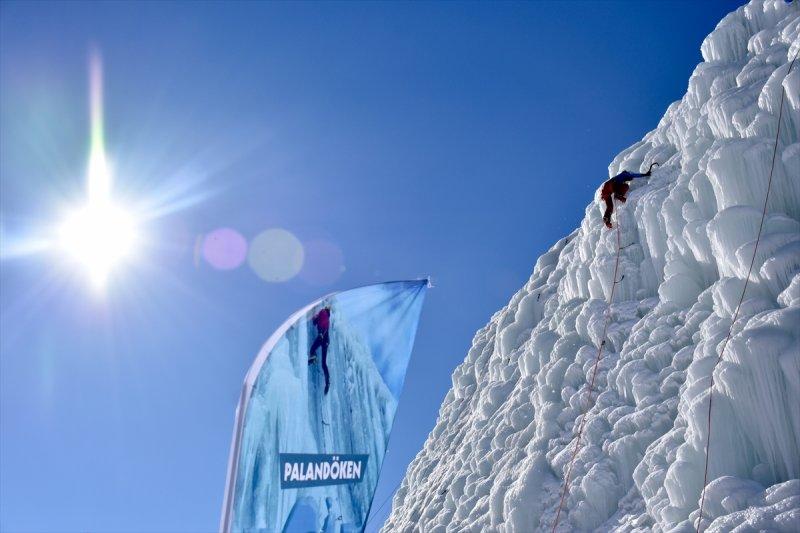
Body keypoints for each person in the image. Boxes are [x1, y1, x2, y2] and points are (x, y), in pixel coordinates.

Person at [600, 163, 658, 228]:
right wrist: (645, 174)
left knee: (609, 206)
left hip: (606, 190)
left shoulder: (620, 176)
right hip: (613, 184)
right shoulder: (626, 174)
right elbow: (634, 175)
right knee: (626, 186)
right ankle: (618, 196)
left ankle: (607, 219)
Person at [308, 306, 332, 394]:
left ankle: (313, 357)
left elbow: (322, 323)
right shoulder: (325, 316)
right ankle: (327, 382)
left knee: (312, 349)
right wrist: (314, 318)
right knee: (323, 363)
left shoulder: (323, 313)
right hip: (325, 341)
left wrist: (321, 332)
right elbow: (316, 322)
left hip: (322, 337)